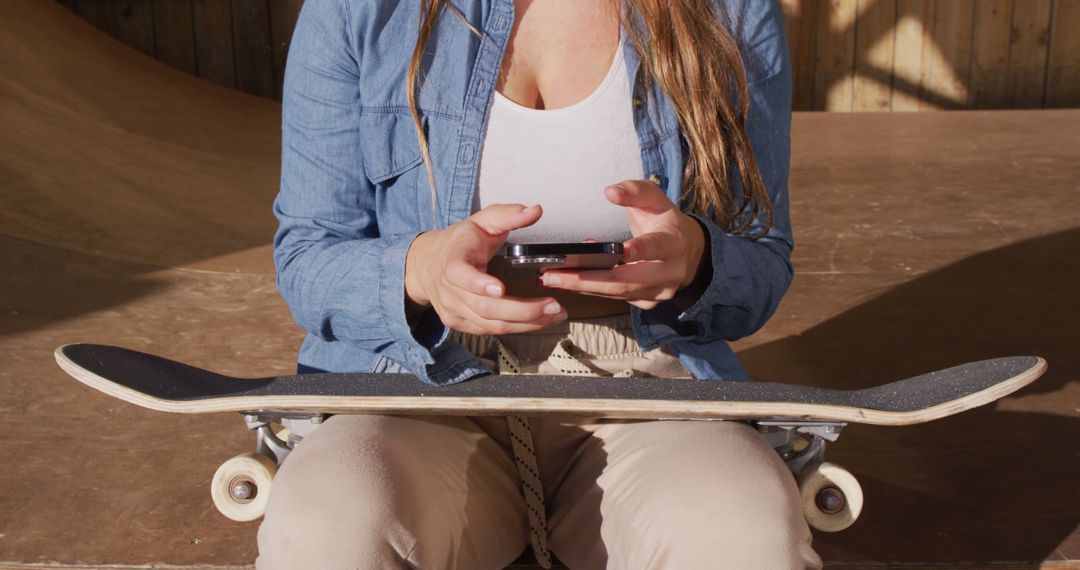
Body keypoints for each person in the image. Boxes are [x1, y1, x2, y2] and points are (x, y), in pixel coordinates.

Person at [258, 0, 822, 567]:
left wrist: (698, 258)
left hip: (650, 393)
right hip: (414, 389)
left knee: (747, 540)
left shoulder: (732, 11)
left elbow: (762, 260)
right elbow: (310, 259)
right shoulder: (358, 11)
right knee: (325, 531)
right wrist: (422, 269)